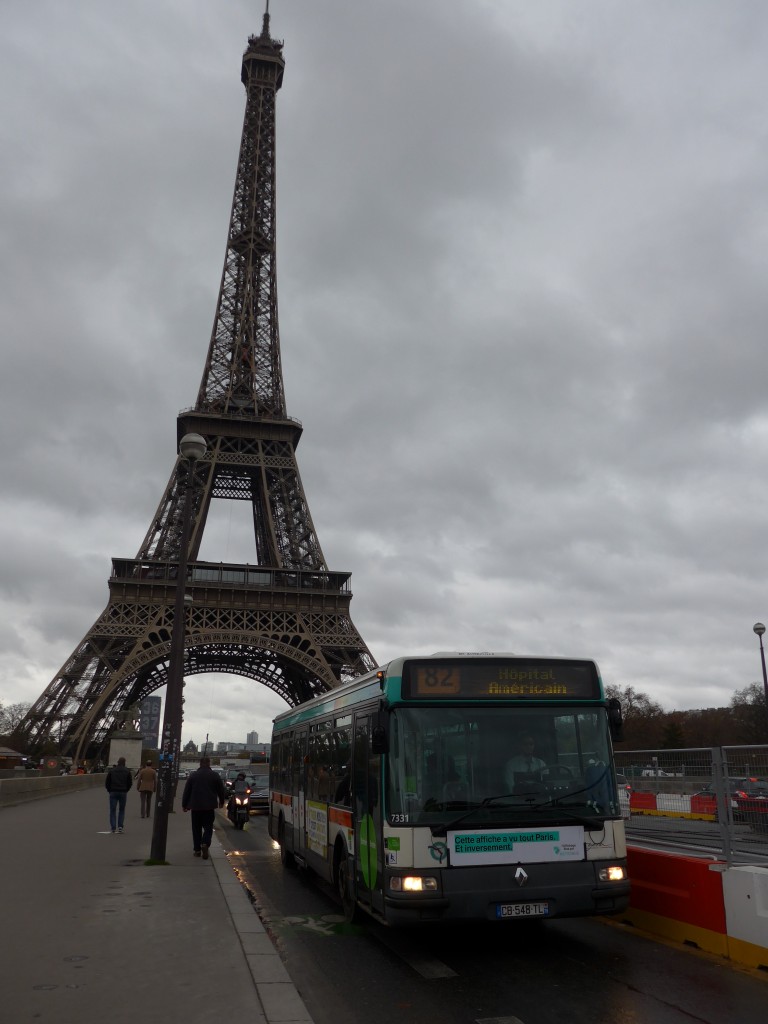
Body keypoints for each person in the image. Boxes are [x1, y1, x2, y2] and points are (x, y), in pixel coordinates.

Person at [182, 756, 226, 859]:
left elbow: (187, 791)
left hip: (195, 807)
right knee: (208, 827)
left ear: (200, 764)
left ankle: (197, 850)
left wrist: (185, 805)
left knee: (196, 829)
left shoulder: (193, 775)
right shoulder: (215, 775)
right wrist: (222, 801)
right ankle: (205, 843)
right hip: (209, 807)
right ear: (209, 763)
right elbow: (221, 790)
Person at [105, 757, 133, 833]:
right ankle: (120, 827)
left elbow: (107, 782)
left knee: (112, 810)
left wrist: (109, 790)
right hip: (123, 792)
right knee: (122, 810)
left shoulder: (112, 771)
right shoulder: (127, 771)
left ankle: (113, 827)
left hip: (113, 792)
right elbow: (130, 783)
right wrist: (126, 790)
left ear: (118, 762)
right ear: (124, 762)